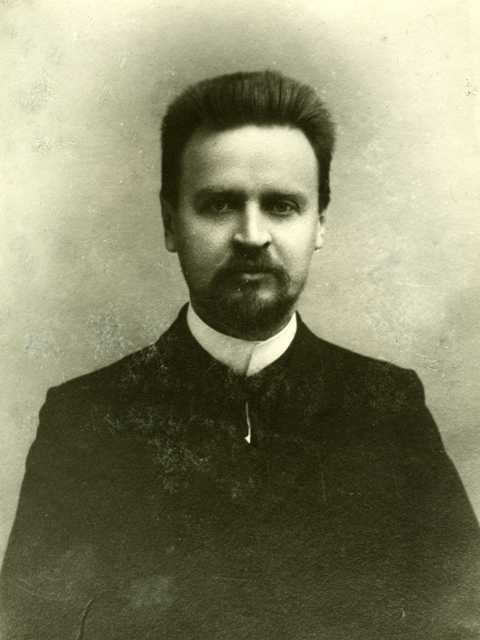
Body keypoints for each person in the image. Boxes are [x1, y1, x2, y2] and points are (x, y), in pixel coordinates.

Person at [1, 70, 479, 639]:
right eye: (220, 204)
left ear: (319, 224)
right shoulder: (85, 420)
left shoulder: (387, 406)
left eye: (282, 205)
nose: (251, 235)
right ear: (170, 223)